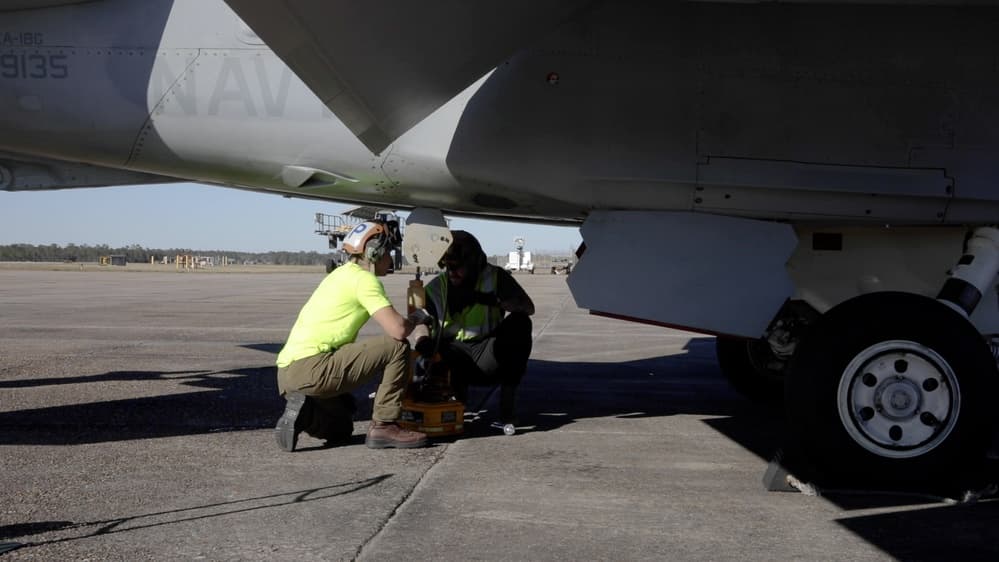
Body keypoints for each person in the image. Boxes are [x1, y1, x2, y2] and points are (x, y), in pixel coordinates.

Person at [274, 219, 429, 451]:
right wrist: (419, 316)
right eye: (390, 252)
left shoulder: (340, 275)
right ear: (374, 252)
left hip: (288, 375)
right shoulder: (364, 279)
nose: (392, 258)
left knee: (342, 429)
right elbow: (398, 329)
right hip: (312, 368)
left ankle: (304, 415)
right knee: (397, 347)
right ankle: (384, 425)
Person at [418, 231, 535, 424]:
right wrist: (422, 340)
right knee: (429, 359)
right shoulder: (438, 287)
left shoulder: (495, 278)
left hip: (487, 355)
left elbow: (527, 308)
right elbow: (419, 318)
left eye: (458, 267)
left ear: (474, 265)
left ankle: (507, 404)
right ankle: (455, 400)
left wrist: (488, 299)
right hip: (453, 357)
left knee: (520, 324)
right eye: (448, 267)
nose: (452, 272)